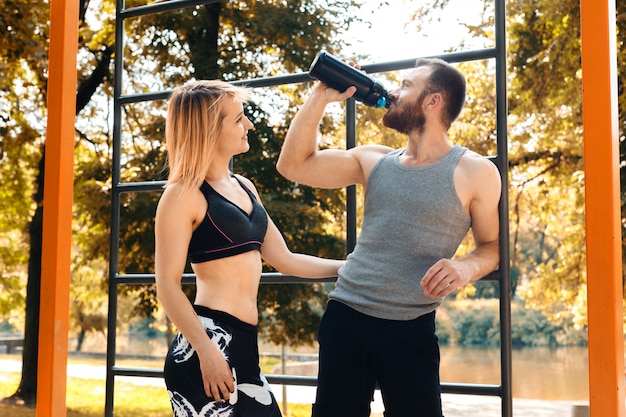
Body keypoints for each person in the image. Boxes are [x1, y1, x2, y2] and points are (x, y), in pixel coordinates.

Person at [276, 58, 502, 417]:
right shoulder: (374, 159)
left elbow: (491, 247)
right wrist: (321, 95)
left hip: (410, 328)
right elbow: (292, 166)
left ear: (433, 101)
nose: (394, 92)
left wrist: (465, 268)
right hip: (346, 317)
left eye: (407, 85)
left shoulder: (475, 171)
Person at [154, 79, 345, 417]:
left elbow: (284, 258)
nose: (249, 125)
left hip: (244, 344)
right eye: (239, 119)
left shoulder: (245, 187)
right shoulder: (182, 195)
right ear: (210, 130)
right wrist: (207, 352)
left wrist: (347, 268)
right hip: (206, 344)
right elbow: (167, 286)